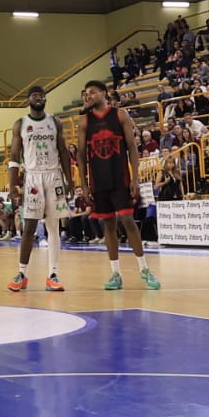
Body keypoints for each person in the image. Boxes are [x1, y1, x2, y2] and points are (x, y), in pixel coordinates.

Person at [78, 79, 160, 291]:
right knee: (108, 225)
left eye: (93, 92)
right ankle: (116, 273)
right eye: (86, 93)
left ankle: (144, 269)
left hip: (120, 177)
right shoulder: (85, 121)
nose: (89, 96)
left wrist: (135, 178)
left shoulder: (120, 115)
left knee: (127, 220)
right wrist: (84, 186)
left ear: (105, 93)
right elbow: (80, 156)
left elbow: (132, 149)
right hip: (98, 180)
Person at [6, 85, 75, 293]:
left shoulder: (55, 122)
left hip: (54, 175)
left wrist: (69, 180)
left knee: (54, 227)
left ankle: (53, 274)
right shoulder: (21, 124)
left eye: (42, 95)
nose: (39, 98)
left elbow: (63, 151)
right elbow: (14, 156)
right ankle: (22, 274)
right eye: (35, 95)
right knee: (29, 227)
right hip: (33, 177)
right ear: (28, 99)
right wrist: (13, 184)